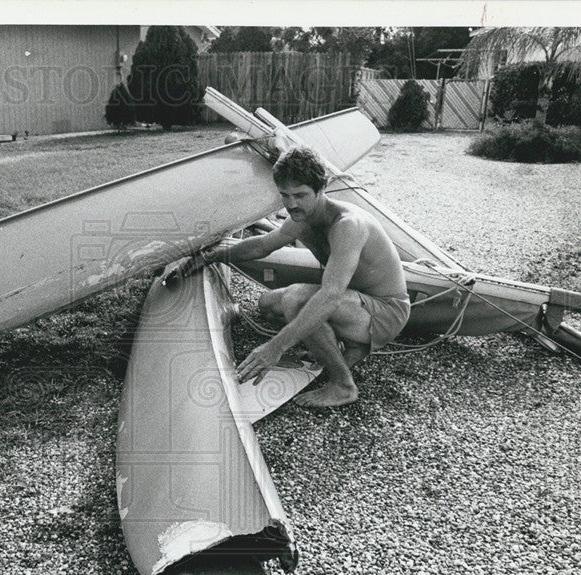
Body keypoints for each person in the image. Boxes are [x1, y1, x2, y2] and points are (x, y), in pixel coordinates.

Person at [171, 146, 410, 408]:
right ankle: (348, 346)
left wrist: (276, 347)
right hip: (356, 302)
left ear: (323, 188)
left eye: (300, 195)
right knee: (267, 305)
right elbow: (262, 246)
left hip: (385, 312)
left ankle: (343, 385)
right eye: (284, 195)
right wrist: (211, 256)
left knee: (297, 300)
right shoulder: (302, 217)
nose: (291, 203)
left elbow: (330, 295)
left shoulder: (347, 226)